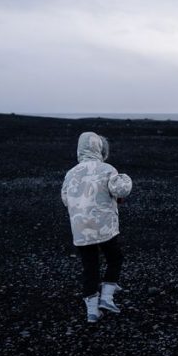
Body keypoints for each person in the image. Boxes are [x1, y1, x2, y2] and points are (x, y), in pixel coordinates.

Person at [61, 132, 133, 323]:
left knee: (90, 267)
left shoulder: (71, 173)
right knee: (115, 257)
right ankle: (107, 297)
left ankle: (92, 312)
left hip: (80, 229)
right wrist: (125, 179)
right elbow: (120, 190)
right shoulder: (107, 169)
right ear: (99, 148)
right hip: (104, 227)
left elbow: (65, 198)